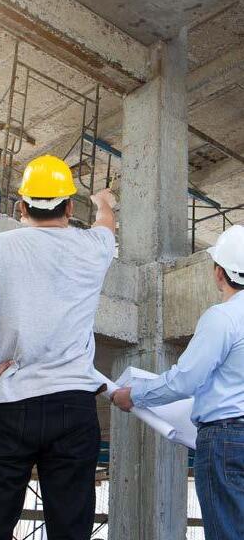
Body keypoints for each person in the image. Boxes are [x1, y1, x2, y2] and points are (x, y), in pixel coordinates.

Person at [0, 155, 116, 540]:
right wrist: (103, 202)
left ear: (21, 206)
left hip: (9, 405)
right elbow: (106, 224)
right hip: (73, 406)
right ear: (69, 207)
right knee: (71, 530)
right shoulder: (95, 246)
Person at [112, 224, 244, 540]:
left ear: (219, 273)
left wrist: (134, 395)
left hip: (226, 441)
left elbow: (184, 381)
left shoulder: (222, 318)